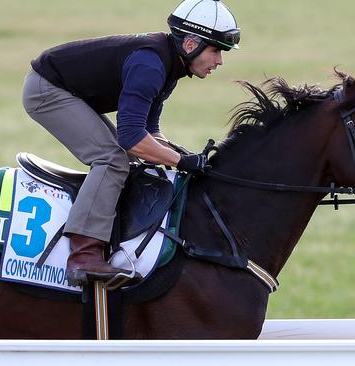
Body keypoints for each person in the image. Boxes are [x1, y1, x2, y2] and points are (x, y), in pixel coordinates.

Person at [22, 0, 240, 286]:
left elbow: (150, 132)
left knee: (130, 158)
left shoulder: (169, 67)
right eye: (216, 50)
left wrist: (184, 156)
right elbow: (131, 140)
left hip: (66, 88)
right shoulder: (151, 65)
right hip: (46, 91)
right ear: (190, 44)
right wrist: (179, 161)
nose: (219, 61)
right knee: (112, 159)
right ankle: (83, 257)